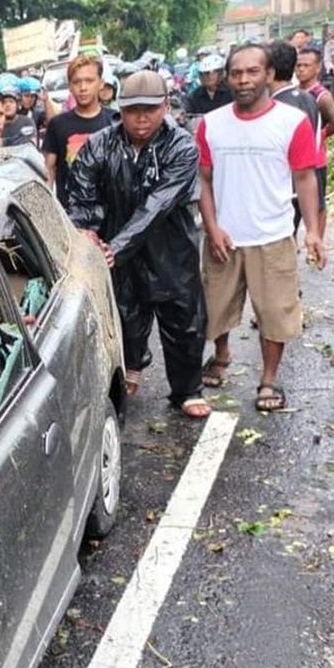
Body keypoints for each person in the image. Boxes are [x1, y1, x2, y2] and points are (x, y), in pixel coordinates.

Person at [67, 71, 210, 418]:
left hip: (170, 250)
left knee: (184, 323)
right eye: (133, 110)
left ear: (165, 106)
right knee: (124, 315)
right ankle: (133, 365)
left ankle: (187, 390)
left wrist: (115, 247)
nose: (142, 118)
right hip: (116, 250)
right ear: (120, 108)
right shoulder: (99, 144)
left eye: (150, 109)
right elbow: (82, 192)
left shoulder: (181, 147)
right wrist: (87, 232)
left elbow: (157, 205)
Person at [196, 44, 326, 412]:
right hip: (225, 237)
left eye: (253, 72)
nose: (244, 79)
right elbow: (203, 180)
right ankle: (221, 355)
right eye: (236, 73)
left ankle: (268, 379)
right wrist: (211, 226)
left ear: (269, 75)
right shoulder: (213, 123)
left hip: (272, 236)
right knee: (214, 307)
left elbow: (304, 178)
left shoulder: (291, 122)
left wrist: (313, 231)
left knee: (275, 313)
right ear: (227, 77)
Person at [43, 55, 115, 210]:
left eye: (89, 81)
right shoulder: (57, 124)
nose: (83, 88)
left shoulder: (116, 122)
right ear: (69, 86)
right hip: (71, 215)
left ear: (100, 83)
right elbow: (49, 169)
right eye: (77, 82)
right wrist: (49, 210)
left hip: (111, 214)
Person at [269, 41, 325, 238]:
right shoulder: (308, 98)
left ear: (269, 69)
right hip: (309, 176)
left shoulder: (273, 105)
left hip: (284, 184)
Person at [296, 46, 334, 234]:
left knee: (318, 202)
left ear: (317, 68)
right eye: (298, 65)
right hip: (295, 157)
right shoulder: (294, 93)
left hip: (316, 159)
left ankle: (317, 238)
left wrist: (319, 135)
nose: (301, 69)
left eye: (306, 65)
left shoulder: (322, 96)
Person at [0, 83, 39, 147]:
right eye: (4, 102)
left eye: (11, 101)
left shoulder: (27, 121)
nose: (7, 105)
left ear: (17, 104)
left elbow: (31, 143)